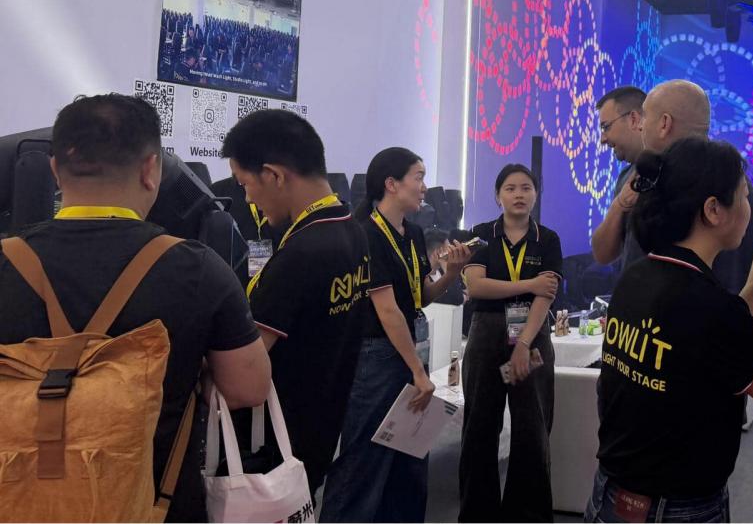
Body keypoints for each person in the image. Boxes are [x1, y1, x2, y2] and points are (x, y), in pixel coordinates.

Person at [0, 94, 271, 521]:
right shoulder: (199, 269)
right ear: (151, 169)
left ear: (55, 169)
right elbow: (248, 388)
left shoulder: (6, 260)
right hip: (155, 503)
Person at [587, 137, 753, 523]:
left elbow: (710, 345)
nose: (750, 207)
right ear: (714, 210)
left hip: (609, 495)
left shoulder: (637, 276)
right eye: (744, 195)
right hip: (678, 510)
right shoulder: (711, 307)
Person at [221, 109, 371, 494]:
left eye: (245, 184)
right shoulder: (351, 230)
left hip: (273, 447)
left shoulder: (303, 252)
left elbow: (243, 369)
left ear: (274, 175)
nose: (247, 197)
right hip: (320, 429)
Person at [321, 148, 473, 522]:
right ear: (391, 183)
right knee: (364, 459)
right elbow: (387, 311)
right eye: (418, 177)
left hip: (409, 347)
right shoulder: (366, 233)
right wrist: (418, 372)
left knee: (408, 455)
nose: (424, 187)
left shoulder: (413, 232)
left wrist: (453, 273)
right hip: (378, 355)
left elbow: (419, 295)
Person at [459, 164, 563, 522]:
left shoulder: (547, 239)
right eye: (510, 188)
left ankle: (528, 515)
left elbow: (546, 295)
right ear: (498, 195)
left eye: (526, 188)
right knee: (479, 427)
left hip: (531, 336)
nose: (519, 194)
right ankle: (478, 515)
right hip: (486, 334)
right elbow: (476, 286)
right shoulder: (480, 235)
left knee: (532, 429)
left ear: (536, 194)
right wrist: (529, 284)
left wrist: (523, 345)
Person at [634, 80, 753, 294]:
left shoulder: (724, 186)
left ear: (665, 123)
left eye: (644, 116)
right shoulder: (722, 182)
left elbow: (730, 284)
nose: (639, 126)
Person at [591, 86, 647, 266]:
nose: (602, 139)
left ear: (634, 119)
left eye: (606, 127)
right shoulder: (626, 176)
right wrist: (619, 205)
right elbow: (603, 255)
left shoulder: (677, 168)